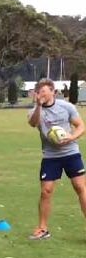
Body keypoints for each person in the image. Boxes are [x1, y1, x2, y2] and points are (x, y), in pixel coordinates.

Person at [27, 78, 86, 240]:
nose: (41, 94)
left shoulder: (66, 107)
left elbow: (81, 126)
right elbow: (33, 123)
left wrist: (71, 137)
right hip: (50, 156)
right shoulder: (35, 110)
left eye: (44, 91)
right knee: (46, 191)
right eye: (39, 92)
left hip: (71, 153)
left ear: (53, 92)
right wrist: (38, 105)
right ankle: (43, 229)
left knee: (80, 187)